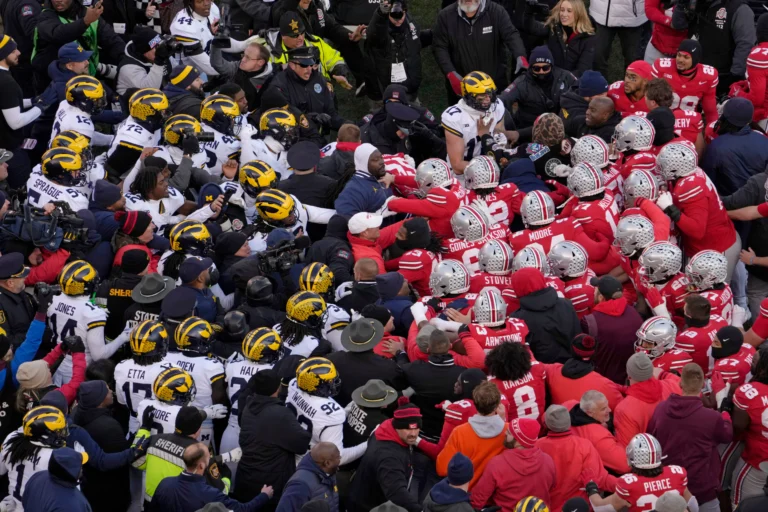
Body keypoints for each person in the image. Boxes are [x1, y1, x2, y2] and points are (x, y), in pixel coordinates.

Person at [649, 363, 733, 512]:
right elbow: (727, 435)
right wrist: (724, 411)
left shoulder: (661, 409)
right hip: (702, 487)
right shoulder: (711, 417)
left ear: (681, 383)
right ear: (702, 387)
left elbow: (651, 438)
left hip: (671, 486)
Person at [655, 142, 740, 281]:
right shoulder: (690, 173)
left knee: (710, 297)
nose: (661, 169)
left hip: (716, 249)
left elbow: (697, 231)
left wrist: (671, 209)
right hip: (713, 244)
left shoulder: (690, 186)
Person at [235, 370, 312, 504]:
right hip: (269, 484)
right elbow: (301, 444)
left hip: (245, 477)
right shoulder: (280, 414)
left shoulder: (248, 404)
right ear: (277, 388)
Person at [431, 0, 526, 104]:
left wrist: (520, 55)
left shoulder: (496, 11)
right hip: (462, 88)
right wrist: (450, 72)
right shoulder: (445, 16)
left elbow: (511, 35)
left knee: (499, 118)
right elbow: (439, 47)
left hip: (493, 86)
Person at [285, 357, 368, 465]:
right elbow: (337, 458)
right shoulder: (332, 415)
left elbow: (316, 412)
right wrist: (369, 443)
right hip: (308, 464)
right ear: (318, 385)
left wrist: (350, 406)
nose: (334, 382)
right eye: (331, 381)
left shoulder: (294, 385)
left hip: (287, 450)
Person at [347, 400, 425, 512]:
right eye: (407, 429)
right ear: (397, 426)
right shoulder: (389, 457)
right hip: (370, 506)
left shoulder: (385, 428)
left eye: (416, 428)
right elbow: (397, 493)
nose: (413, 434)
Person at [587, 433, 696, 512]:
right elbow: (693, 505)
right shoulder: (676, 474)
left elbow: (601, 508)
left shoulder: (628, 484)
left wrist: (591, 487)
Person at [0, 35, 56, 188]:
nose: (18, 52)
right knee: (22, 189)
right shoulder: (6, 82)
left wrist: (31, 101)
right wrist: (41, 107)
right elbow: (15, 122)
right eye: (12, 50)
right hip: (9, 151)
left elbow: (6, 104)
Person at [536, 404, 617, 510]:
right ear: (569, 422)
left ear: (547, 424)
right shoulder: (584, 446)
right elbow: (600, 479)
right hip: (579, 508)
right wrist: (629, 486)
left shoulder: (536, 446)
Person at [151, 441, 272, 512]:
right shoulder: (210, 494)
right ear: (202, 466)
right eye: (209, 459)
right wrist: (264, 495)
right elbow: (243, 509)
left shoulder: (165, 483)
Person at [32, 0, 125, 89]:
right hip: (52, 82)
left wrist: (126, 61)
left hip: (87, 76)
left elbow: (112, 40)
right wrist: (85, 22)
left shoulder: (88, 13)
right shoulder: (45, 16)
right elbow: (58, 34)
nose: (58, 0)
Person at [163, 316, 227, 445]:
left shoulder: (168, 358)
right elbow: (219, 400)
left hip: (173, 418)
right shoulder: (212, 366)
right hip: (202, 421)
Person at [670, 0, 756, 96]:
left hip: (722, 76)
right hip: (692, 73)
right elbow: (678, 25)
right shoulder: (695, 3)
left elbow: (745, 44)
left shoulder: (739, 8)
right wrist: (681, 4)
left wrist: (734, 76)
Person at [469, 419, 555, 511]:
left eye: (509, 433)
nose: (505, 433)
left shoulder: (497, 464)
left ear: (519, 441)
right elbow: (551, 489)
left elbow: (478, 499)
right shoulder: (548, 461)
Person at [72, 380, 131, 512]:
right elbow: (121, 462)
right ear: (99, 401)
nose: (111, 391)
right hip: (109, 490)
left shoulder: (76, 412)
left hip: (87, 484)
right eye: (107, 390)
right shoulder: (109, 427)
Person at [436, 381, 507, 488]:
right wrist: (503, 420)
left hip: (465, 492)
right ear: (497, 405)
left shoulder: (460, 432)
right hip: (495, 494)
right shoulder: (508, 431)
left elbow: (442, 468)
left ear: (475, 403)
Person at [267, 46, 347, 136]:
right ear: (292, 65)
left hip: (318, 137)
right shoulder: (279, 84)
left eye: (311, 64)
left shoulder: (319, 79)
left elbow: (331, 114)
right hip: (291, 138)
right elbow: (287, 115)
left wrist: (351, 126)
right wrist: (313, 117)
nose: (309, 69)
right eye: (304, 65)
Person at [0, 405, 70, 508]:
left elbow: (1, 470)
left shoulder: (11, 439)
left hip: (13, 506)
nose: (62, 435)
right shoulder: (55, 457)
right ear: (44, 436)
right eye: (58, 432)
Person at [501, 46, 577, 140]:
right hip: (528, 135)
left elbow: (580, 96)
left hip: (560, 132)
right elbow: (502, 100)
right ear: (530, 67)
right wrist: (510, 126)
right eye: (536, 68)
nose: (541, 72)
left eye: (545, 68)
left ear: (551, 66)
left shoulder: (566, 77)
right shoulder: (522, 82)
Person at [403, 330, 467, 442]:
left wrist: (400, 354)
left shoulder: (415, 370)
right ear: (450, 347)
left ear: (428, 350)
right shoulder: (463, 374)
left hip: (423, 435)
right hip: (453, 435)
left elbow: (399, 369)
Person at [328, 319, 406, 407]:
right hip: (376, 414)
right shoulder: (387, 367)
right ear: (375, 339)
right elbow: (402, 381)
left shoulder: (332, 359)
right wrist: (401, 354)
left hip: (340, 408)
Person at [510, 267, 581, 364]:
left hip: (544, 373)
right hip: (574, 366)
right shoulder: (566, 304)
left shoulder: (517, 319)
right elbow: (577, 336)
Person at [582, 275, 644, 384]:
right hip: (632, 377)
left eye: (595, 291)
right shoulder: (634, 313)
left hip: (605, 381)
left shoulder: (589, 321)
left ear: (601, 297)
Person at [702, 98, 768, 197]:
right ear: (749, 120)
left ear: (724, 115)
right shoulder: (763, 139)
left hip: (728, 200)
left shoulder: (715, 143)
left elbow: (707, 178)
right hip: (758, 199)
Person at [613, 352, 682, 445]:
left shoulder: (624, 409)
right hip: (676, 447)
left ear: (629, 375)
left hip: (649, 457)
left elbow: (628, 449)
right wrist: (664, 374)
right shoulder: (671, 385)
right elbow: (692, 388)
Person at [513, 0, 595, 77]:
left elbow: (582, 71)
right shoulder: (554, 27)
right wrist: (529, 12)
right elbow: (531, 28)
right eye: (562, 10)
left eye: (569, 11)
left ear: (578, 13)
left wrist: (561, 81)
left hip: (572, 85)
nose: (564, 14)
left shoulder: (587, 38)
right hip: (550, 80)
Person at [544, 333, 624, 410]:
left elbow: (535, 364)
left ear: (572, 350)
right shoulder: (606, 385)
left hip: (558, 421)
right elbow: (622, 410)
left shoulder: (552, 370)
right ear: (594, 353)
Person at [731, 346, 768, 506]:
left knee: (742, 504)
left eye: (755, 361)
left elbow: (737, 427)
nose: (751, 363)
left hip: (757, 461)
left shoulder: (749, 392)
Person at [364, 0, 422, 100]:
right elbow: (374, 34)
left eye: (401, 14)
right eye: (394, 15)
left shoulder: (411, 26)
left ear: (405, 12)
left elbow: (415, 49)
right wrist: (381, 14)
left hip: (409, 91)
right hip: (384, 94)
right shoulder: (380, 31)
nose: (398, 19)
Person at [652, 39, 719, 124]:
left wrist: (711, 131)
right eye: (679, 55)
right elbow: (650, 101)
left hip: (690, 123)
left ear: (695, 59)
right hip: (663, 121)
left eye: (686, 57)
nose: (680, 60)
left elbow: (710, 112)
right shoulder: (662, 68)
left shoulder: (708, 76)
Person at [569, 390, 630, 474]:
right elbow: (625, 465)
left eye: (607, 405)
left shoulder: (569, 406)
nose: (609, 410)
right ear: (589, 413)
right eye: (603, 409)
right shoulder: (599, 437)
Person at [211, 41, 276, 112]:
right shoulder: (237, 67)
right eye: (243, 55)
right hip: (229, 111)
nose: (243, 60)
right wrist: (216, 44)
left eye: (248, 58)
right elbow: (218, 64)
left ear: (260, 62)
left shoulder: (272, 79)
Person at [644, 77, 705, 152]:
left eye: (645, 96)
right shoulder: (693, 118)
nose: (644, 99)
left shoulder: (647, 121)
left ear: (653, 102)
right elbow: (700, 150)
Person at [21, 447, 91, 512]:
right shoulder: (71, 505)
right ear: (69, 472)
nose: (81, 467)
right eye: (79, 465)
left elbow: (25, 501)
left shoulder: (38, 476)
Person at [276, 442, 340, 512]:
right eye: (338, 457)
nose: (340, 460)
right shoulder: (300, 485)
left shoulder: (329, 474)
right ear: (327, 463)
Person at [589, 0, 647, 75]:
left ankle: (631, 86)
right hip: (600, 13)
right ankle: (599, 86)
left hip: (633, 17)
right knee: (597, 58)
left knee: (633, 62)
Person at [334, 144, 392, 216]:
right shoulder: (355, 189)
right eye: (376, 160)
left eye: (381, 157)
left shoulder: (379, 177)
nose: (382, 162)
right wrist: (379, 215)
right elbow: (345, 216)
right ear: (364, 163)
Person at [116, 28, 171, 95]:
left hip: (163, 97)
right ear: (145, 52)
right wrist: (158, 62)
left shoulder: (156, 56)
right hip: (136, 102)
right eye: (157, 47)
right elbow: (150, 91)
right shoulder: (129, 68)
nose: (161, 49)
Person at [0, 253, 36, 347]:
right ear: (10, 283)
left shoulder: (18, 291)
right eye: (22, 276)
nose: (26, 277)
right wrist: (36, 332)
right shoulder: (2, 305)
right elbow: (7, 342)